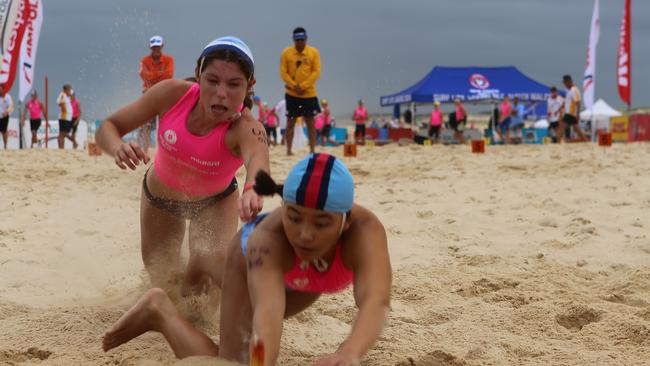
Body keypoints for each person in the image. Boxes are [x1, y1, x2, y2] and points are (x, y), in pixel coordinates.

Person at [102, 153, 392, 366]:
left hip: (306, 277)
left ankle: (205, 260)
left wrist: (348, 352)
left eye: (321, 224)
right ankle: (159, 309)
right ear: (284, 208)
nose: (305, 234)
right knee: (233, 361)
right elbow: (267, 317)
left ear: (347, 220)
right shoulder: (268, 240)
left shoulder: (366, 232)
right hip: (248, 261)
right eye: (294, 217)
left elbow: (374, 301)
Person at [96, 36, 270, 301]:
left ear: (249, 85)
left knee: (200, 293)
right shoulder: (171, 95)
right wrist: (118, 147)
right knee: (164, 285)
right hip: (160, 200)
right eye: (212, 81)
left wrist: (252, 190)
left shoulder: (247, 128)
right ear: (199, 74)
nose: (221, 93)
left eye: (234, 84)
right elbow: (107, 128)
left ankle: (207, 290)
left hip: (215, 203)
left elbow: (258, 161)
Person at [280, 27, 321, 155]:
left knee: (310, 122)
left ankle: (312, 150)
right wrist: (293, 85)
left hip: (309, 94)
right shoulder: (286, 53)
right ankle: (288, 150)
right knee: (290, 121)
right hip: (292, 94)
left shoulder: (313, 52)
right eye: (297, 40)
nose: (300, 42)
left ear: (306, 39)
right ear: (293, 39)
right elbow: (283, 72)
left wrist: (303, 86)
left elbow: (316, 71)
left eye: (302, 39)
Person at [138, 35, 175, 152]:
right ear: (150, 47)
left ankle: (165, 149)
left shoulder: (169, 59)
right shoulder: (144, 60)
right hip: (150, 93)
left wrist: (152, 76)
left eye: (158, 47)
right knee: (145, 122)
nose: (156, 49)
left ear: (162, 46)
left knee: (167, 121)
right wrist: (160, 74)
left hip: (163, 92)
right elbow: (144, 76)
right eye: (154, 47)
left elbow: (169, 74)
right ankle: (145, 149)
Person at [558, 75, 586, 143]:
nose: (564, 85)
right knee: (576, 128)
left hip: (571, 113)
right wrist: (561, 107)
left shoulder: (574, 90)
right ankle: (584, 140)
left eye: (564, 83)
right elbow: (567, 101)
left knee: (561, 126)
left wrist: (577, 114)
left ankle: (558, 142)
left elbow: (578, 102)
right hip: (570, 113)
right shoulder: (569, 90)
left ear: (568, 82)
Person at [57, 84, 75, 149]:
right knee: (62, 133)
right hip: (64, 116)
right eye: (69, 89)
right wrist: (64, 110)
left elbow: (72, 93)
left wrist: (70, 94)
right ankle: (73, 142)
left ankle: (62, 147)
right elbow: (59, 103)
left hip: (68, 117)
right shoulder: (62, 94)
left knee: (62, 134)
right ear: (65, 90)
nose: (70, 91)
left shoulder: (68, 95)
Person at [0, 84, 13, 149]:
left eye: (0, 89)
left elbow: (11, 106)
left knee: (4, 131)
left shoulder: (8, 97)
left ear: (3, 89)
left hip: (5, 116)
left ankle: (5, 145)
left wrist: (7, 112)